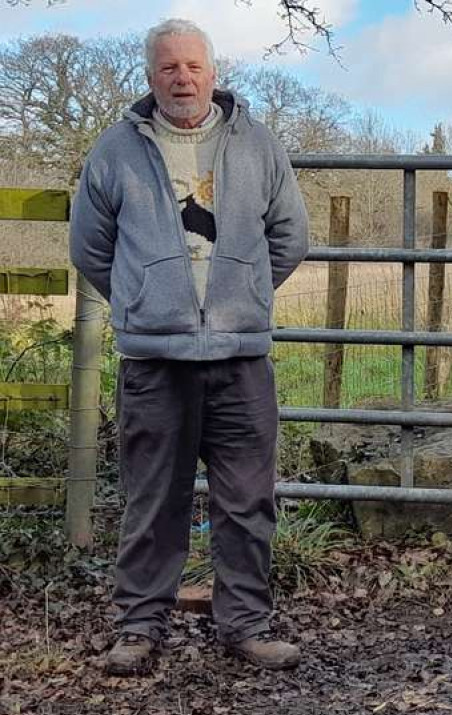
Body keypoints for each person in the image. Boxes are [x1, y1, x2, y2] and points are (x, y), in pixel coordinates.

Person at [70, 18, 310, 676]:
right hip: (154, 361)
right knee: (151, 499)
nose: (183, 78)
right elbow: (90, 247)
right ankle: (140, 628)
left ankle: (246, 626)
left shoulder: (257, 145)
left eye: (193, 67)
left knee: (247, 500)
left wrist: (243, 296)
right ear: (150, 78)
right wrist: (146, 301)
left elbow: (288, 236)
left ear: (213, 72)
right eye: (169, 68)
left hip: (239, 359)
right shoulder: (115, 150)